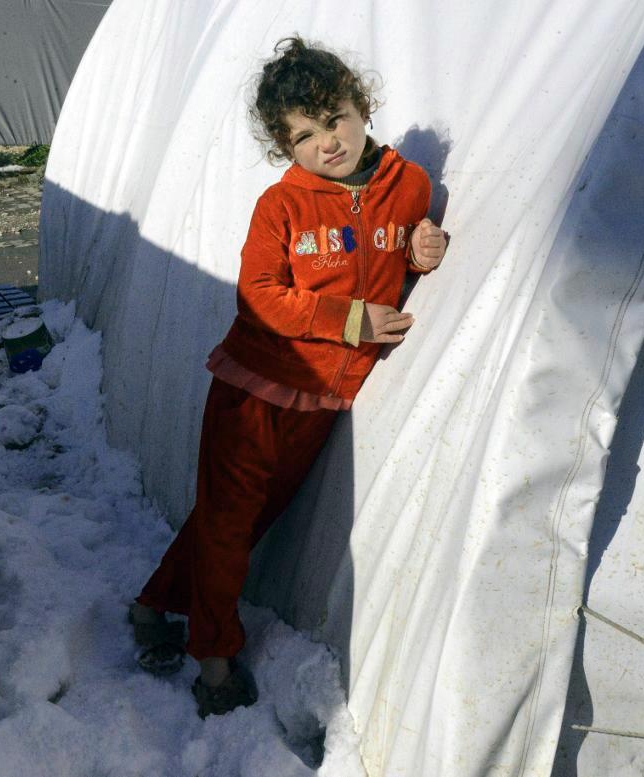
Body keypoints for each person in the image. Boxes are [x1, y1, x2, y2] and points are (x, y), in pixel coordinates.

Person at [129, 35, 448, 718]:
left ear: (361, 106)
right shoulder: (283, 206)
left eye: (333, 119)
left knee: (241, 521)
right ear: (285, 148)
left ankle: (153, 603)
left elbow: (394, 250)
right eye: (304, 136)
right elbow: (260, 295)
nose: (326, 143)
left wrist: (426, 248)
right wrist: (353, 320)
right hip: (252, 391)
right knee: (227, 521)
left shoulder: (409, 185)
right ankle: (215, 663)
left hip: (322, 401)